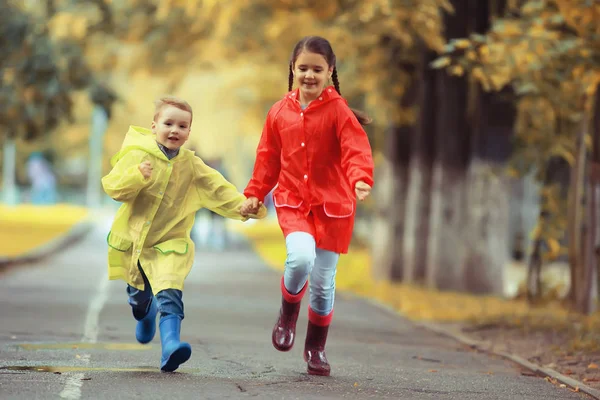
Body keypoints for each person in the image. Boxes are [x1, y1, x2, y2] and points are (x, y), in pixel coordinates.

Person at [240, 36, 374, 376]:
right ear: (293, 69)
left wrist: (360, 178)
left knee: (324, 281)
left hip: (334, 208)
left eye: (317, 69)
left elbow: (355, 148)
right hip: (294, 202)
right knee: (300, 258)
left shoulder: (339, 111)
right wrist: (255, 192)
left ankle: (315, 348)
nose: (309, 75)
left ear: (330, 71)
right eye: (303, 68)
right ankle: (287, 313)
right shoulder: (279, 112)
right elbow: (267, 158)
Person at [101, 96, 266, 372]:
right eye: (168, 123)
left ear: (189, 132)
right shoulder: (137, 155)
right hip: (135, 244)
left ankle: (170, 347)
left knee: (170, 292)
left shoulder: (192, 166)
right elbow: (113, 187)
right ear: (154, 126)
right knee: (139, 299)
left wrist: (244, 206)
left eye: (182, 126)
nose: (175, 130)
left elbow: (218, 189)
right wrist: (137, 176)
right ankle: (144, 315)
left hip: (170, 243)